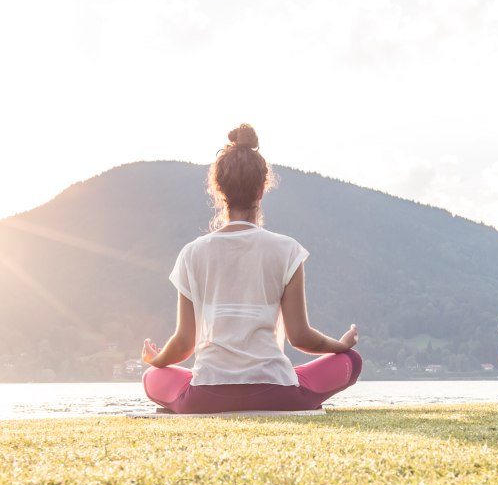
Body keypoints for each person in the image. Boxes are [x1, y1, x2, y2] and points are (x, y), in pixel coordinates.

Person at [141, 124, 363, 414]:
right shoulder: (287, 250)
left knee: (150, 379)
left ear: (219, 190)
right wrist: (339, 345)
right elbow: (300, 336)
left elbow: (184, 343)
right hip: (277, 394)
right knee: (352, 361)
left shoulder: (191, 253)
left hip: (205, 397)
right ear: (262, 189)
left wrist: (156, 360)